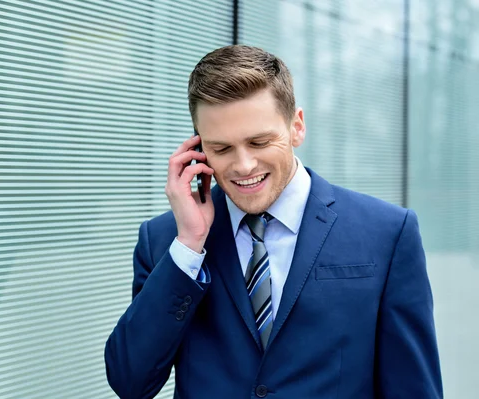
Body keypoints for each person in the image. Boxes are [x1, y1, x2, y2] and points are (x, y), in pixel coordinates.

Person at [104, 45, 442, 398]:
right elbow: (130, 381)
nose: (244, 165)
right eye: (221, 149)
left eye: (259, 141)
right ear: (198, 150)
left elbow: (413, 388)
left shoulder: (386, 233)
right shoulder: (165, 241)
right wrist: (189, 245)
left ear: (296, 127)